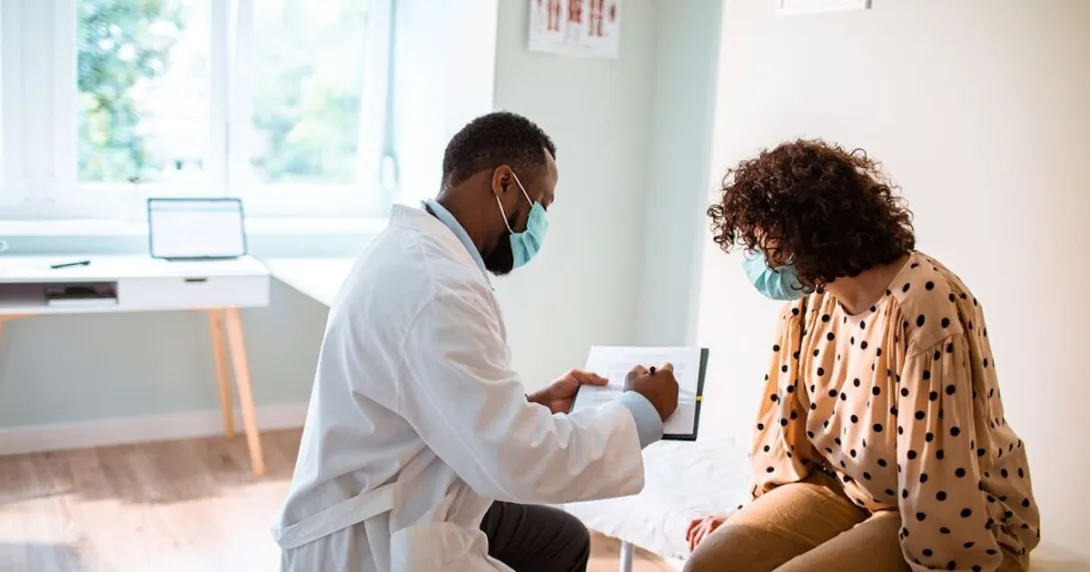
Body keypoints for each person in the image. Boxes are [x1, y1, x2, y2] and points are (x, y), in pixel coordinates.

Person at [271, 111, 680, 572]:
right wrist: (640, 411)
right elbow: (518, 462)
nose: (541, 224)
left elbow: (438, 400)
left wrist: (532, 405)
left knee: (561, 539)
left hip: (413, 484)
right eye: (542, 205)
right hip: (373, 536)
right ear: (504, 184)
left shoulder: (416, 251)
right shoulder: (437, 287)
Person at [685, 139, 1040, 572]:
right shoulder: (808, 305)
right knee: (710, 564)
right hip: (843, 489)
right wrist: (750, 514)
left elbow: (938, 468)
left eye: (764, 242)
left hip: (934, 507)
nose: (759, 259)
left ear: (808, 234)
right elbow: (785, 435)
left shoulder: (923, 304)